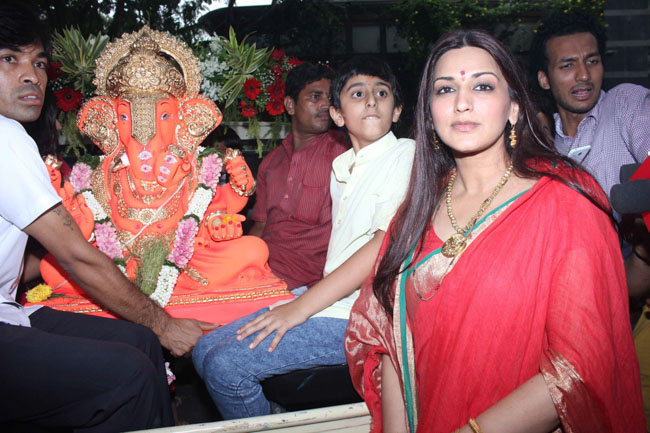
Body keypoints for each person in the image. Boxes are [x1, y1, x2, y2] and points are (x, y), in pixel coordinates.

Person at [345, 29, 644, 433]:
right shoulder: (417, 208)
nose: (462, 102)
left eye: (482, 86)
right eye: (445, 89)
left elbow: (579, 365)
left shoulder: (566, 204)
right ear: (429, 112)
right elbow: (387, 333)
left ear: (514, 108)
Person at [0, 3, 208, 430]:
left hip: (9, 309)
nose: (31, 75)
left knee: (139, 340)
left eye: (38, 63)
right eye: (9, 59)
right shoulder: (6, 137)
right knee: (130, 374)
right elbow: (75, 255)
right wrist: (166, 325)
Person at [193, 57, 415, 419]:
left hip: (368, 314)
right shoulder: (343, 168)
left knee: (225, 366)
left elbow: (382, 244)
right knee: (204, 350)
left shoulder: (406, 153)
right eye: (358, 94)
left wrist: (299, 307)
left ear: (397, 111)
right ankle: (267, 410)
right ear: (338, 114)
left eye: (381, 93)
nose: (371, 101)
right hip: (334, 300)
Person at [530, 11, 650, 202]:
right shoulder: (543, 139)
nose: (584, 75)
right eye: (568, 66)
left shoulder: (625, 103)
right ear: (544, 79)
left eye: (592, 61)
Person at [248, 63, 349, 289]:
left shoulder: (344, 153)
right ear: (290, 105)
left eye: (329, 98)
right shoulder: (270, 163)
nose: (325, 104)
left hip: (308, 286)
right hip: (259, 274)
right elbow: (260, 227)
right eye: (315, 96)